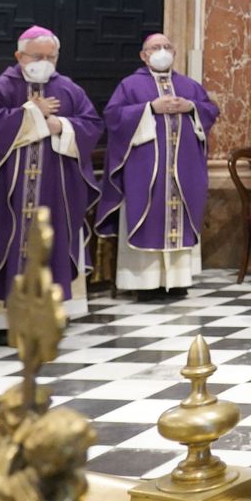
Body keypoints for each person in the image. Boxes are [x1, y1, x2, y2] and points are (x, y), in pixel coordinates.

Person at [0, 26, 102, 338]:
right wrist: (32, 113)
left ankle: (49, 314)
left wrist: (61, 124)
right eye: (37, 56)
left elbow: (92, 125)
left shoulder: (69, 89)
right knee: (3, 246)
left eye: (51, 56)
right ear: (19, 56)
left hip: (53, 196)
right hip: (6, 196)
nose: (44, 62)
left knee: (53, 246)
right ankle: (2, 323)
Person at [98, 34, 219, 302]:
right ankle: (144, 282)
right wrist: (149, 108)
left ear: (174, 53)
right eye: (155, 48)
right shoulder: (130, 85)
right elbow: (114, 117)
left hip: (182, 169)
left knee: (181, 217)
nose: (162, 52)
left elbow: (210, 111)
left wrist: (191, 107)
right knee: (147, 215)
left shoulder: (188, 85)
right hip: (146, 170)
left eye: (167, 47)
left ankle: (177, 281)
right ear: (143, 55)